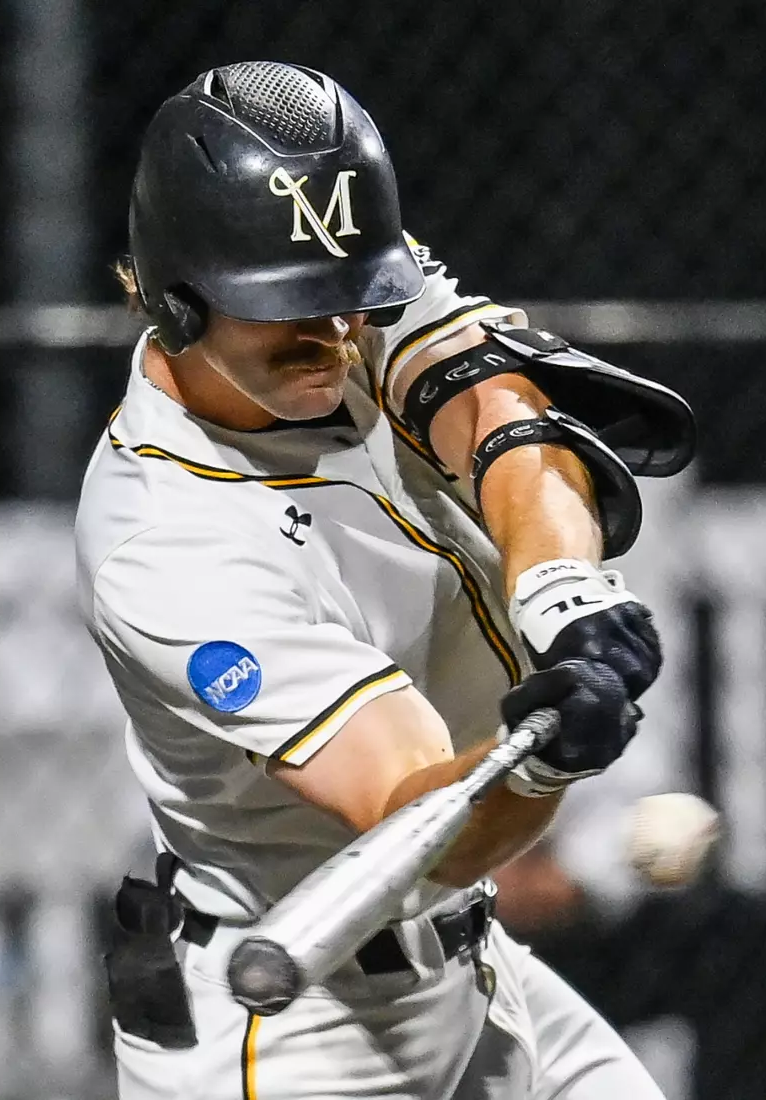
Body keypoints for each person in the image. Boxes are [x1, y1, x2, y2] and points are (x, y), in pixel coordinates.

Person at [76, 62, 696, 1098]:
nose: (334, 331)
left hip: (471, 965)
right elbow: (416, 814)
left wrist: (560, 587)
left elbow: (498, 408)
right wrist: (536, 763)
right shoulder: (169, 547)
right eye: (289, 308)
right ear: (178, 300)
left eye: (349, 297)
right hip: (299, 1030)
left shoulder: (334, 271)